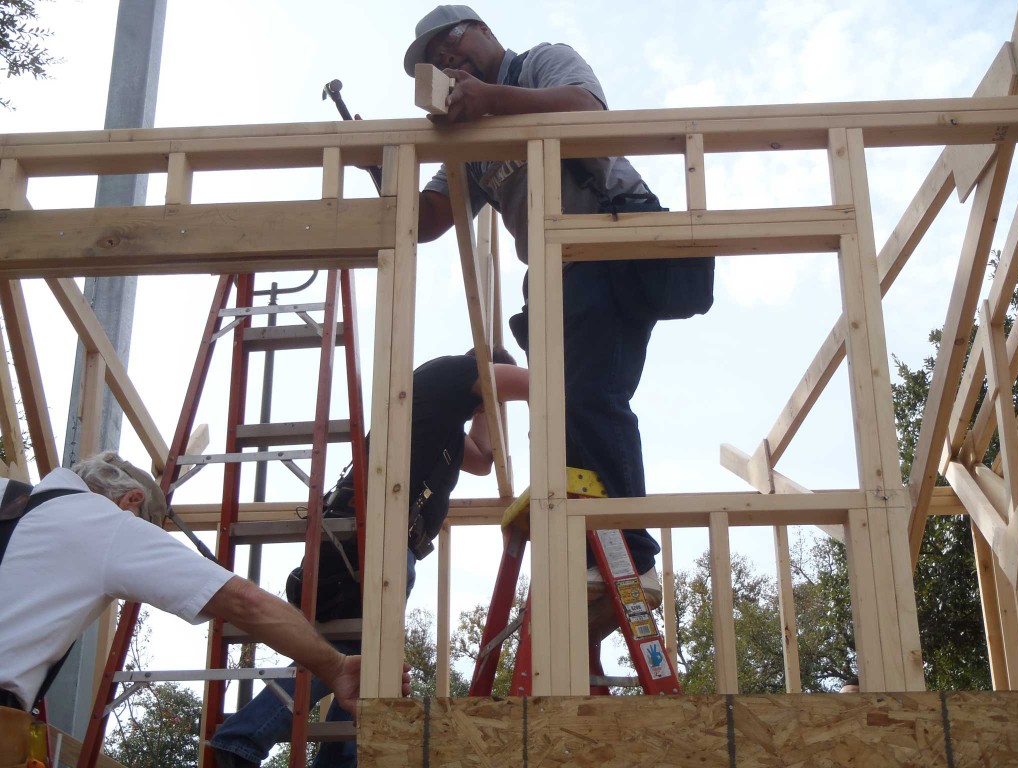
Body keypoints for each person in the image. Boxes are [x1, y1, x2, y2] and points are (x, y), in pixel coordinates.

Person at [406, 4, 683, 606]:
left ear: (483, 32)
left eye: (454, 49)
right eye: (438, 65)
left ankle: (631, 557)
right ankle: (592, 547)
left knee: (589, 398)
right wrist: (384, 169)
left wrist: (490, 99)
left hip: (607, 238)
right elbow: (431, 219)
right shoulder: (471, 141)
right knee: (560, 408)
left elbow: (589, 113)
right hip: (555, 271)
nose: (450, 65)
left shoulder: (539, 66)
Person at [212, 348, 529, 768]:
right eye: (490, 386)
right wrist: (512, 382)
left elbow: (484, 460)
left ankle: (283, 748)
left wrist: (490, 403)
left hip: (382, 546)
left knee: (356, 659)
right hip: (368, 542)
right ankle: (242, 739)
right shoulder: (445, 373)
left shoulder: (446, 427)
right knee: (360, 656)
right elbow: (533, 384)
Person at [0, 453, 408, 740]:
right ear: (132, 500)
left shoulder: (10, 496)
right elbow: (244, 601)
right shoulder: (107, 524)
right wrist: (334, 666)